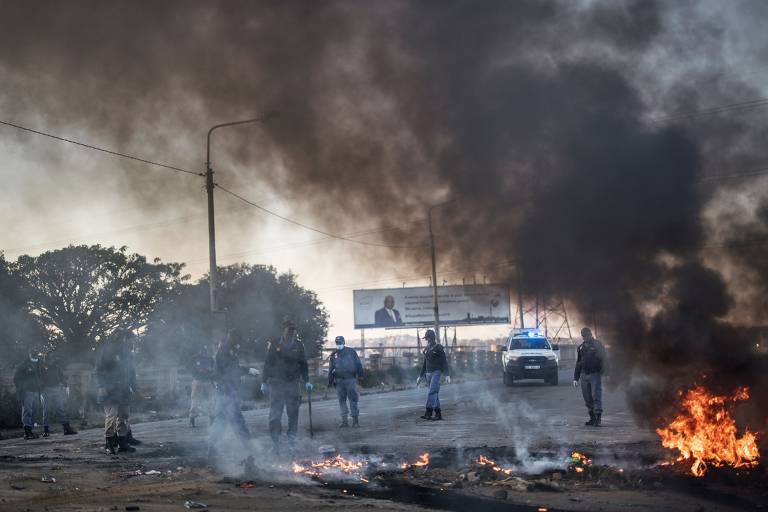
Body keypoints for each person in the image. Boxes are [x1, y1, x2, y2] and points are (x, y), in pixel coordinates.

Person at [208, 330, 259, 459]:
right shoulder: (225, 351)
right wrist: (247, 370)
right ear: (231, 338)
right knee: (237, 421)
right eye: (237, 340)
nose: (238, 343)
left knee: (221, 422)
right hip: (227, 392)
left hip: (224, 392)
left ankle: (212, 451)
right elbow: (230, 370)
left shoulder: (228, 350)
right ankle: (250, 450)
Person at [261, 320, 312, 452]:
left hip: (293, 383)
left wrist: (307, 380)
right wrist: (264, 381)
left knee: (293, 413)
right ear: (283, 330)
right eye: (289, 330)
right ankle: (275, 443)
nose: (291, 333)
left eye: (293, 330)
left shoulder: (298, 345)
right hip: (277, 384)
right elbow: (268, 363)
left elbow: (303, 364)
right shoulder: (275, 344)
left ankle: (291, 441)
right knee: (275, 414)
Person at [95, 332, 138, 454]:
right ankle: (109, 443)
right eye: (132, 340)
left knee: (124, 416)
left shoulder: (128, 354)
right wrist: (101, 386)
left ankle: (122, 442)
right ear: (124, 339)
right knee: (111, 416)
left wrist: (136, 389)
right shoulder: (107, 351)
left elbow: (131, 373)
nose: (133, 342)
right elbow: (98, 371)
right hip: (110, 389)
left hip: (123, 390)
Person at [573, 327, 608, 427]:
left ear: (590, 335)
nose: (584, 337)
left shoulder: (597, 345)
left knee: (596, 396)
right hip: (584, 375)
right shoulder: (581, 348)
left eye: (586, 335)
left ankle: (598, 418)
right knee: (587, 398)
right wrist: (575, 378)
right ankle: (592, 418)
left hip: (594, 375)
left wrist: (606, 374)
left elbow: (604, 359)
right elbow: (578, 363)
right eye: (583, 336)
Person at [328, 335, 364, 428]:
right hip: (339, 381)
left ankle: (355, 421)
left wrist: (361, 375)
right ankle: (344, 422)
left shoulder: (351, 352)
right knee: (342, 401)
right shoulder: (334, 355)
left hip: (350, 379)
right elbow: (331, 368)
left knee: (353, 400)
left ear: (344, 342)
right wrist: (330, 381)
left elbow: (358, 364)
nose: (338, 344)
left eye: (340, 342)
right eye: (337, 343)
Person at [416, 329, 451, 420]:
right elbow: (425, 363)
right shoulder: (427, 348)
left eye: (428, 338)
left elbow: (444, 362)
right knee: (434, 393)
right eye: (426, 338)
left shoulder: (439, 348)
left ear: (432, 337)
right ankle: (438, 413)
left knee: (432, 391)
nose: (426, 340)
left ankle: (428, 411)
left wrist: (447, 374)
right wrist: (420, 376)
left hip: (436, 371)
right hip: (428, 373)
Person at [41, 353, 78, 437]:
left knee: (60, 409)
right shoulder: (42, 367)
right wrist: (41, 390)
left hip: (57, 389)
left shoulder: (56, 366)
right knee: (46, 410)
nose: (51, 360)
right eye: (49, 359)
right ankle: (46, 431)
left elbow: (61, 377)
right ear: (46, 359)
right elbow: (39, 378)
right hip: (46, 390)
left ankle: (66, 428)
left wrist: (66, 385)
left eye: (52, 358)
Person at [13, 350, 44, 440]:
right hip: (27, 392)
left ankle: (30, 431)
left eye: (37, 354)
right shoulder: (23, 365)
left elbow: (41, 377)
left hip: (36, 391)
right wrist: (23, 387)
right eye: (34, 354)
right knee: (27, 411)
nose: (36, 356)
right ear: (30, 354)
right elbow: (16, 379)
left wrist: (41, 388)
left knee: (35, 411)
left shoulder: (39, 364)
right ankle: (27, 432)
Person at [189, 344, 215, 428]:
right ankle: (192, 418)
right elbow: (188, 367)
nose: (204, 352)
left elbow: (215, 369)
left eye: (205, 351)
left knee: (210, 400)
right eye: (203, 351)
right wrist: (197, 371)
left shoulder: (210, 359)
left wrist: (209, 372)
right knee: (195, 400)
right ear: (199, 351)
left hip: (208, 381)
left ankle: (212, 418)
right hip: (198, 381)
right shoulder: (194, 358)